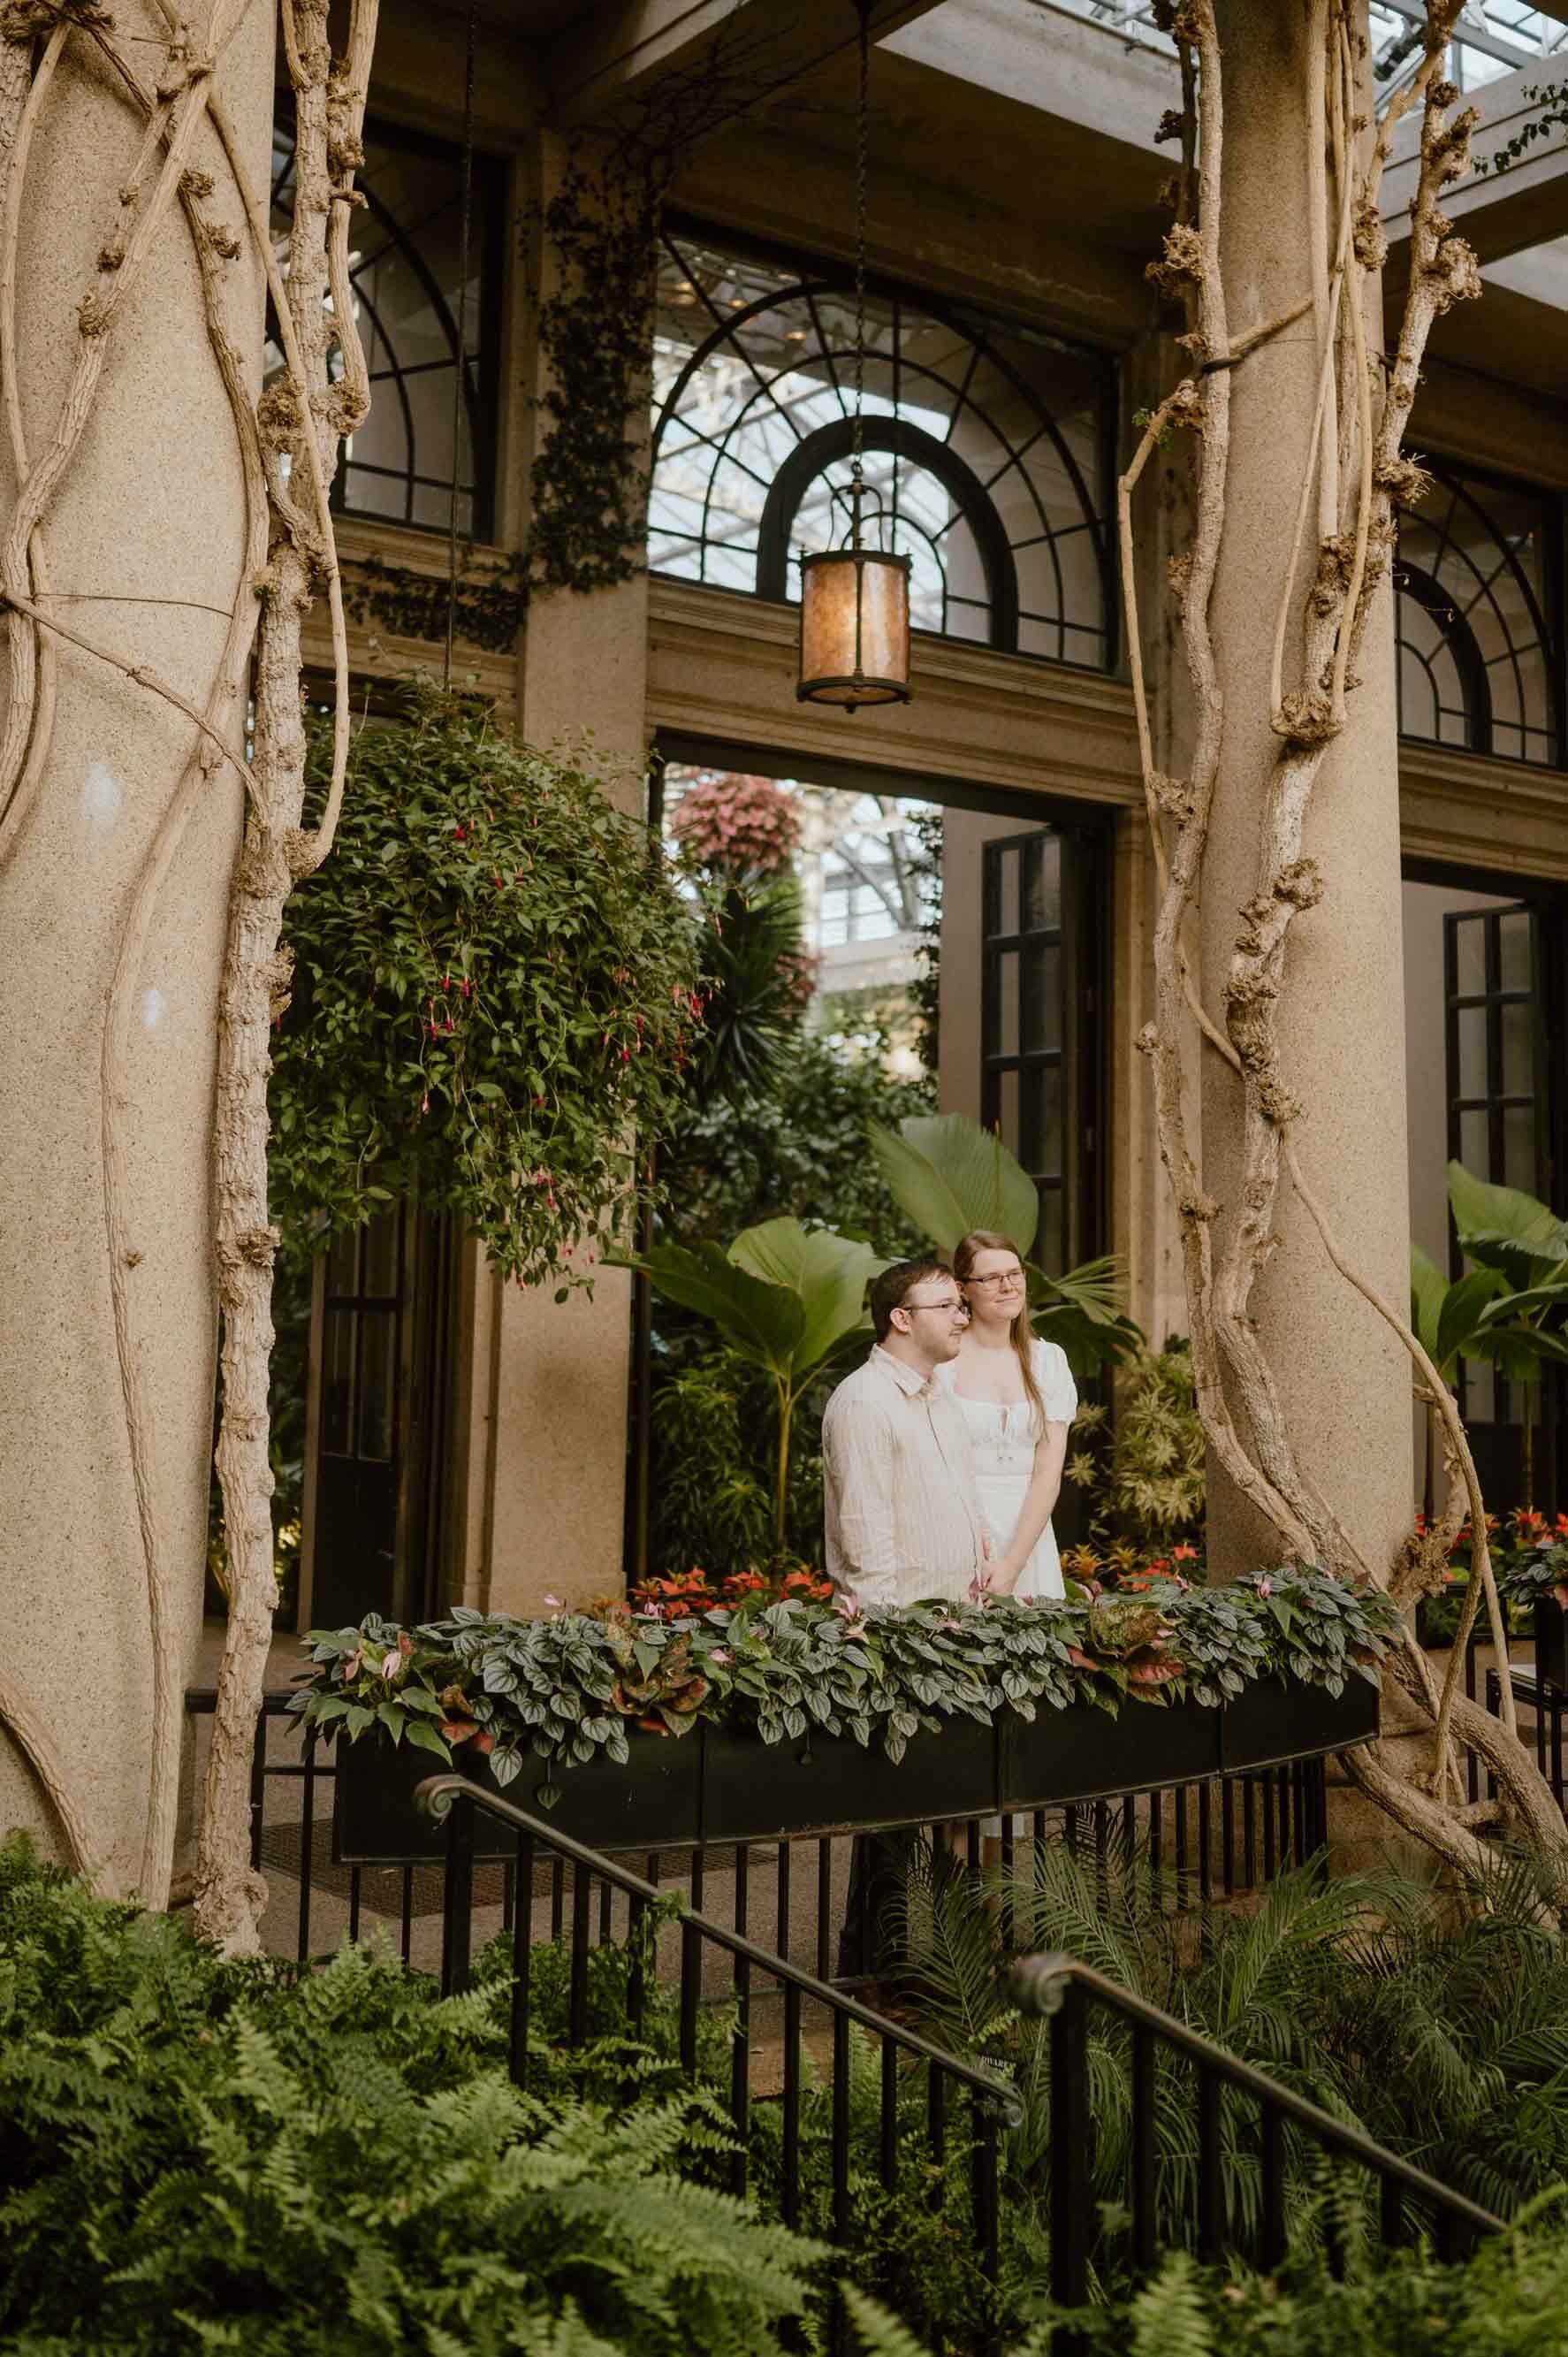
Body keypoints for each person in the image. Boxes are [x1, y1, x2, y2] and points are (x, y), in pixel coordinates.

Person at [821, 1256, 988, 1610]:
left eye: (960, 1307)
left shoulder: (942, 1395)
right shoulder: (864, 1402)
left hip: (959, 1624)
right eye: (945, 1307)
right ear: (901, 1319)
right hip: (903, 1637)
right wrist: (883, 1642)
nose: (961, 1319)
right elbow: (864, 1541)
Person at [936, 1229, 1077, 1601]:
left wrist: (1012, 1566)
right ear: (962, 1288)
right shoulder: (942, 1364)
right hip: (959, 1532)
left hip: (1028, 1536)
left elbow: (1048, 1475)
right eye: (991, 1278)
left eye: (1014, 1274)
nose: (1008, 1286)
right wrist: (982, 1554)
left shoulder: (1049, 1361)